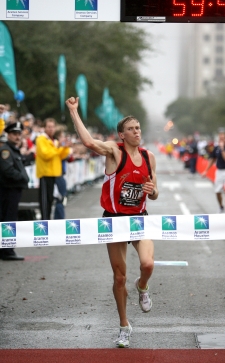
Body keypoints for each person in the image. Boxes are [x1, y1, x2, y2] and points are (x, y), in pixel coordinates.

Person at [66, 97, 159, 348]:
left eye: (138, 128)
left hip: (139, 219)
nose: (136, 132)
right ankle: (124, 326)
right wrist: (74, 111)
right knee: (119, 278)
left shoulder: (148, 156)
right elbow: (87, 142)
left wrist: (151, 191)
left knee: (148, 264)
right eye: (131, 129)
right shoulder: (114, 151)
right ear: (122, 134)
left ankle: (142, 287)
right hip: (114, 220)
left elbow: (155, 192)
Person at [0, 122, 29, 260]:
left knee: (8, 219)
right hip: (8, 190)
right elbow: (7, 170)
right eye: (14, 134)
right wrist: (23, 178)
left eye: (19, 134)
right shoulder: (6, 150)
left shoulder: (13, 150)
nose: (17, 137)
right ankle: (7, 251)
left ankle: (6, 249)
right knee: (8, 220)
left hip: (13, 190)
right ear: (8, 134)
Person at [36, 118, 71, 220]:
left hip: (55, 174)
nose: (51, 129)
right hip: (45, 174)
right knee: (45, 201)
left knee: (52, 200)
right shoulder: (41, 139)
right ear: (44, 127)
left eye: (52, 127)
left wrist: (65, 147)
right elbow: (46, 154)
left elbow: (61, 156)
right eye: (49, 127)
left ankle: (50, 220)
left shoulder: (54, 141)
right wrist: (58, 147)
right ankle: (45, 220)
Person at [202, 131, 225, 213]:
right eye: (220, 138)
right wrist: (206, 170)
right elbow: (212, 159)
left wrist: (223, 149)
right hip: (219, 171)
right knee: (217, 191)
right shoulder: (216, 148)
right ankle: (221, 206)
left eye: (223, 138)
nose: (221, 140)